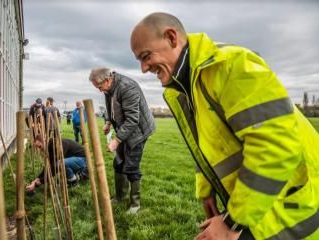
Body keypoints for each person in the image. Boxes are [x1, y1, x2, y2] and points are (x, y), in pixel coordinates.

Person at [130, 12, 319, 239]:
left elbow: (275, 149)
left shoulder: (230, 65)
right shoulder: (189, 85)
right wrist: (206, 190)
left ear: (172, 38)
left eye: (146, 56)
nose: (143, 68)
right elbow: (207, 144)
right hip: (257, 203)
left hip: (287, 208)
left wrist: (232, 222)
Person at [89, 68, 155, 214]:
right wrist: (107, 122)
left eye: (99, 87)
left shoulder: (127, 87)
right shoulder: (109, 89)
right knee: (118, 162)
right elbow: (110, 108)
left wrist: (117, 140)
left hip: (138, 131)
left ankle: (135, 204)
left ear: (107, 80)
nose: (100, 91)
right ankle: (120, 196)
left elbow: (132, 120)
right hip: (124, 128)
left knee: (131, 166)